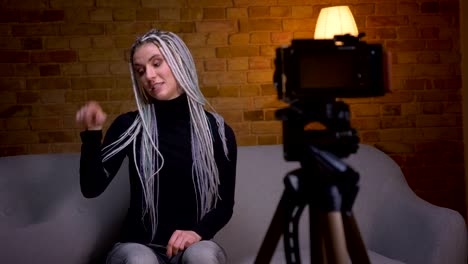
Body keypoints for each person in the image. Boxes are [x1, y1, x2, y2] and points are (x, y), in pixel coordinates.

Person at [75, 29, 237, 264]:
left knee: (202, 256)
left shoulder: (219, 132)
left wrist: (195, 233)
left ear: (179, 61)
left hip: (191, 247)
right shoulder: (129, 126)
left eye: (157, 63)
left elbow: (224, 205)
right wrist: (92, 135)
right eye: (140, 71)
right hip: (139, 247)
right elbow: (92, 187)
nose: (149, 75)